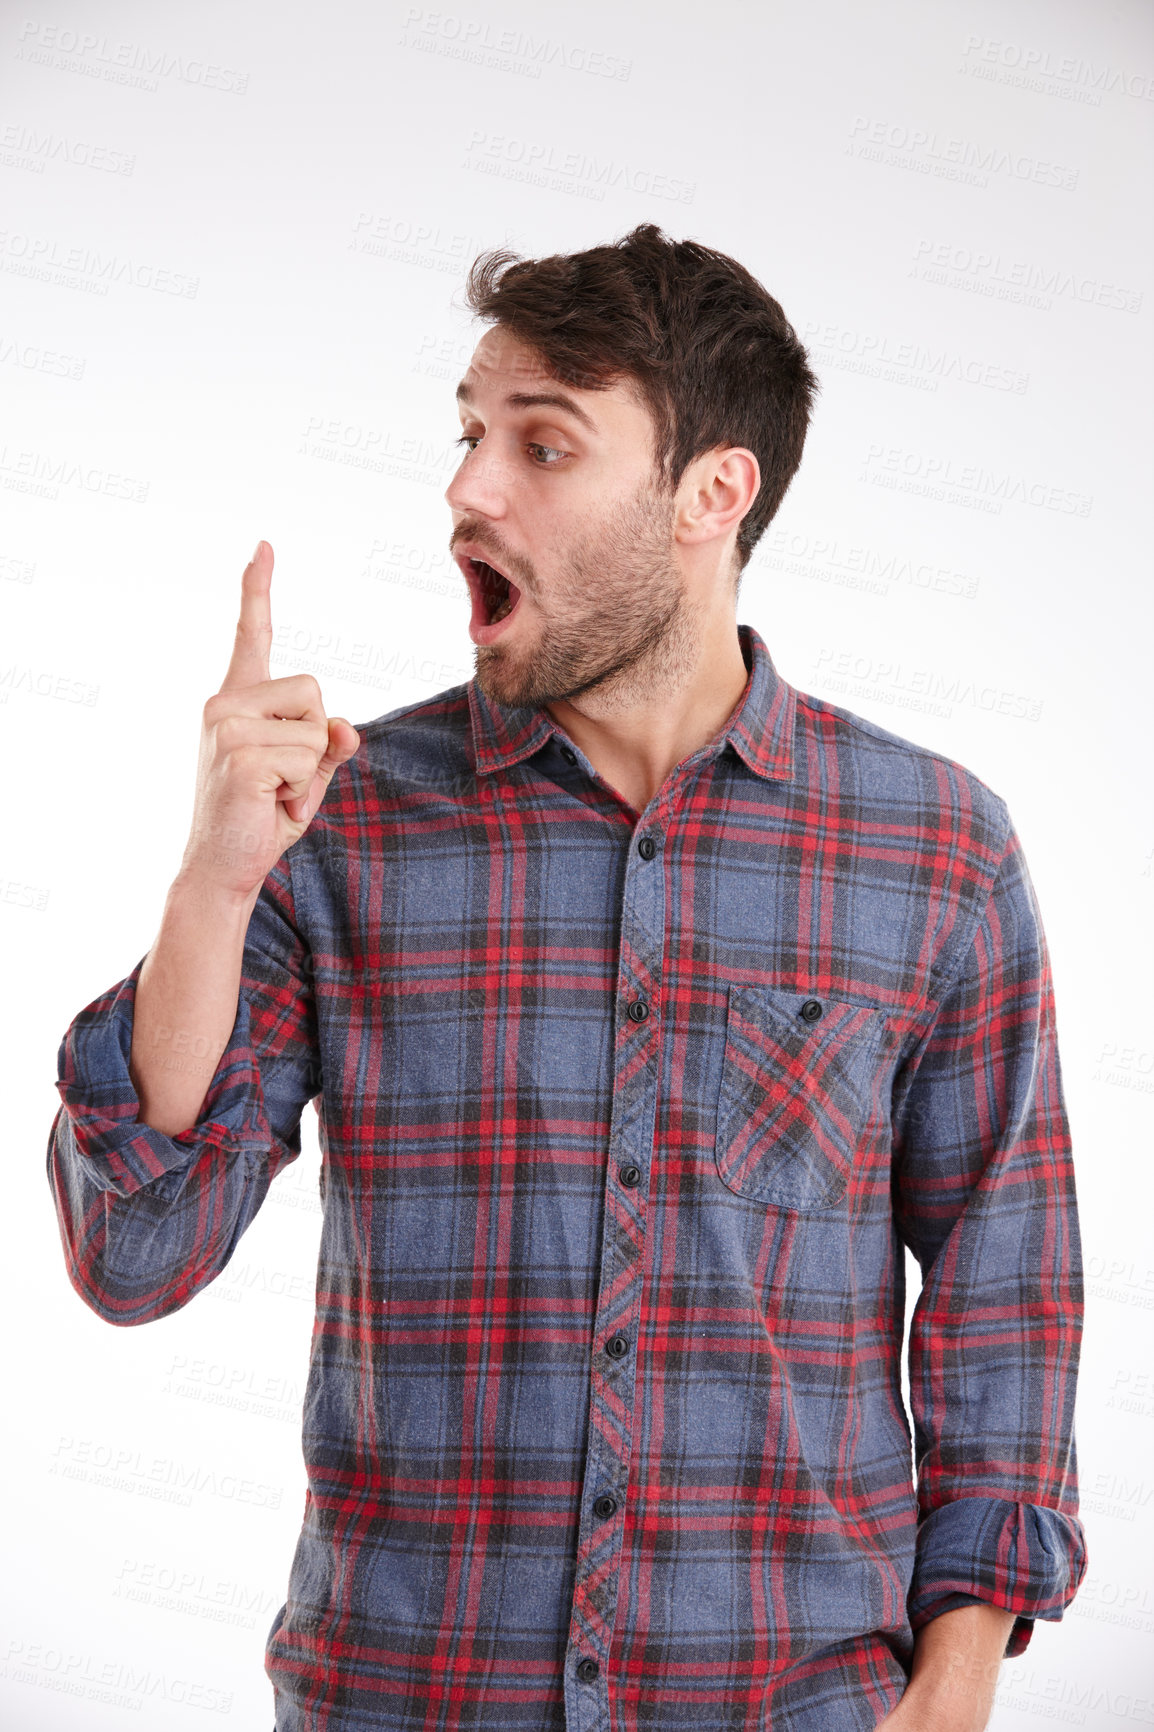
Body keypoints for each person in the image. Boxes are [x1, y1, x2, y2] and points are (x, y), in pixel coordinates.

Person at [47, 224, 1086, 1732]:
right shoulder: (340, 821)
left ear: (709, 495)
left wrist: (955, 1681)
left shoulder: (932, 849)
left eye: (542, 446)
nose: (467, 488)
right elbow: (133, 1255)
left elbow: (1004, 1288)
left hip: (789, 1703)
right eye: (471, 435)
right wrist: (212, 887)